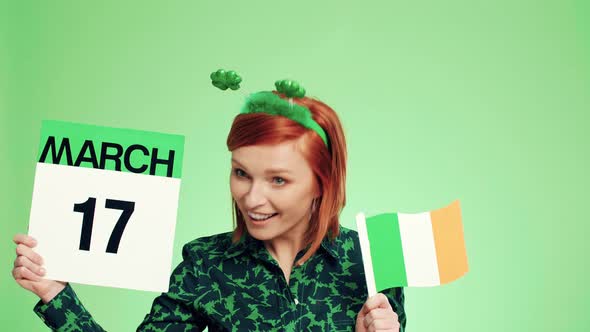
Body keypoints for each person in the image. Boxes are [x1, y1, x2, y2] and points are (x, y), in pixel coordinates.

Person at [12, 75, 406, 331]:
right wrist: (55, 293)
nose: (252, 198)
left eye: (278, 180)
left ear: (323, 182)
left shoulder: (377, 260)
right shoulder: (205, 264)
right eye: (241, 173)